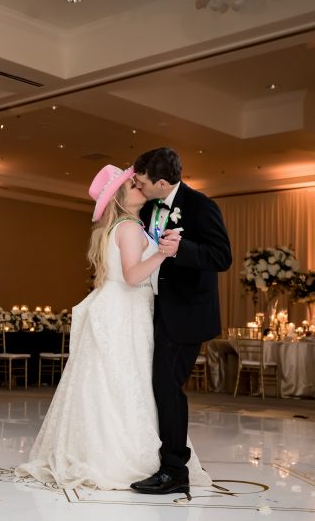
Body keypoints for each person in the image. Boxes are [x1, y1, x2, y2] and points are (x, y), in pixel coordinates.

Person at [15, 164, 211, 490]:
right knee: (127, 382)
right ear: (120, 197)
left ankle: (97, 451)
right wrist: (164, 252)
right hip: (126, 311)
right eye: (133, 186)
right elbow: (134, 276)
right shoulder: (131, 227)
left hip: (117, 307)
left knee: (108, 384)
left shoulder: (119, 227)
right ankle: (126, 459)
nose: (140, 188)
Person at [130, 148, 231, 494]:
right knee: (158, 387)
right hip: (154, 311)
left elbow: (222, 256)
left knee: (167, 387)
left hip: (187, 314)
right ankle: (167, 462)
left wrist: (182, 249)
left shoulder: (202, 206)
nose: (137, 185)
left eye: (141, 181)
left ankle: (175, 470)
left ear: (161, 182)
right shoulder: (146, 208)